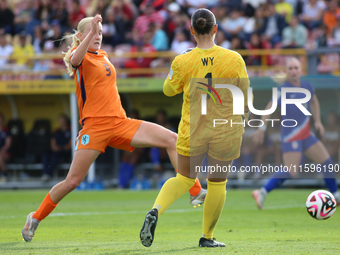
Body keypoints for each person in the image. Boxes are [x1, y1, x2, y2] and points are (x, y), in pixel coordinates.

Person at [21, 14, 179, 242]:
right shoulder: (80, 58)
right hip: (95, 128)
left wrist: (94, 29)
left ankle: (195, 192)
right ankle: (35, 218)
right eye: (94, 32)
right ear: (81, 36)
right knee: (72, 181)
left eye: (101, 33)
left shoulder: (103, 55)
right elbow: (75, 57)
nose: (99, 37)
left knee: (171, 139)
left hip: (119, 122)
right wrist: (91, 30)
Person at [140, 8, 249, 248]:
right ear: (215, 29)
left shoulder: (183, 60)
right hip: (223, 129)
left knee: (185, 178)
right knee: (218, 183)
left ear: (191, 30)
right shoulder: (234, 58)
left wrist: (175, 68)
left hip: (193, 129)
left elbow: (168, 90)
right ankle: (207, 238)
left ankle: (156, 210)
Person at [251, 57, 340, 210]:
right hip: (290, 135)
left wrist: (318, 121)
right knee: (291, 171)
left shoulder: (307, 86)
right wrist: (261, 128)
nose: (293, 71)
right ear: (286, 71)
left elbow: (314, 101)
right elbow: (269, 107)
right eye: (290, 68)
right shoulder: (283, 89)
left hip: (306, 133)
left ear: (301, 70)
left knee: (327, 164)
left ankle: (335, 196)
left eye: (296, 68)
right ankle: (261, 192)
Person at [41, 114, 71, 182]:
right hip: (56, 150)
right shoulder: (56, 131)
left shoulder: (71, 130)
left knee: (55, 156)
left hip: (65, 152)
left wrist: (61, 148)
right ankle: (46, 173)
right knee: (45, 154)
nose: (61, 122)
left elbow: (70, 145)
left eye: (63, 120)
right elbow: (53, 143)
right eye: (60, 120)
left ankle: (48, 174)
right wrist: (55, 148)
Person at [0, 113, 11, 182]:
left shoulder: (6, 130)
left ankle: (5, 174)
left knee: (0, 156)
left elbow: (8, 144)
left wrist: (2, 150)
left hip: (6, 153)